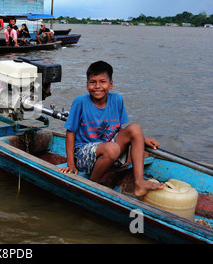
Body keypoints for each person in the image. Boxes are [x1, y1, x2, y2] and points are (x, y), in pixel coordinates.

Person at [59, 61, 165, 197]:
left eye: (102, 82)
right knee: (112, 148)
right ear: (87, 85)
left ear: (111, 84)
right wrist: (71, 164)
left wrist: (142, 139)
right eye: (92, 82)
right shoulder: (80, 102)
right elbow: (70, 133)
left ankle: (139, 183)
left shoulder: (117, 100)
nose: (97, 86)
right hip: (84, 155)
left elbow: (118, 131)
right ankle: (93, 184)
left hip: (109, 151)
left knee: (135, 129)